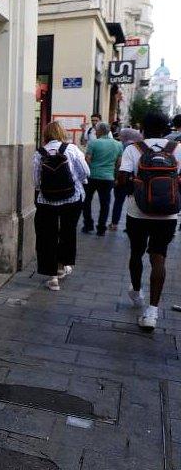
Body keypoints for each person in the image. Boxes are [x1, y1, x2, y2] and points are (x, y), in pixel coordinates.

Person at [117, 113, 181, 330]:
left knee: (136, 252)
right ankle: (152, 312)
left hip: (138, 211)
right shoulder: (177, 149)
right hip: (168, 214)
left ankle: (136, 291)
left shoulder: (133, 149)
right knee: (159, 256)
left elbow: (122, 178)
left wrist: (134, 190)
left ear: (143, 128)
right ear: (166, 128)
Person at [33, 121, 90, 291]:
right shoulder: (71, 149)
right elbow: (86, 172)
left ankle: (52, 278)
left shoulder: (39, 153)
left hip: (47, 201)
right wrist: (75, 181)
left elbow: (35, 181)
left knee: (47, 236)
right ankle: (61, 266)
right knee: (67, 231)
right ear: (61, 133)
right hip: (72, 198)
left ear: (46, 135)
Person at [82, 123, 122, 235]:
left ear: (99, 131)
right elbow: (118, 163)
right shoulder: (118, 144)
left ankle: (88, 225)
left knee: (86, 201)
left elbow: (88, 159)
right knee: (105, 204)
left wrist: (89, 170)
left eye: (96, 131)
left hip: (92, 176)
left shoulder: (93, 143)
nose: (95, 132)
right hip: (108, 177)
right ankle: (101, 228)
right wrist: (115, 177)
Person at [110, 126, 143, 230]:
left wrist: (116, 179)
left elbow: (118, 164)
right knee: (133, 202)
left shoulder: (121, 146)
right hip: (134, 180)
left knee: (118, 202)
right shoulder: (139, 147)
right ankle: (130, 226)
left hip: (121, 178)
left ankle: (114, 223)